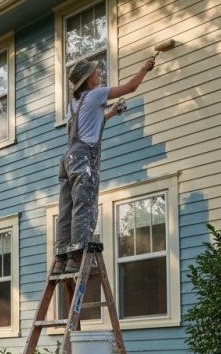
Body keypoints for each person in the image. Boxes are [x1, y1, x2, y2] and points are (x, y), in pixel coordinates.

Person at [53, 55, 156, 274]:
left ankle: (61, 259)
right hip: (83, 160)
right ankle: (77, 257)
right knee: (86, 206)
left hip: (67, 160)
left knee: (66, 209)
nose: (98, 74)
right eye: (95, 72)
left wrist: (111, 113)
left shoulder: (74, 104)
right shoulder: (96, 94)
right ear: (88, 79)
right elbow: (131, 87)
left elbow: (89, 126)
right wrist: (144, 68)